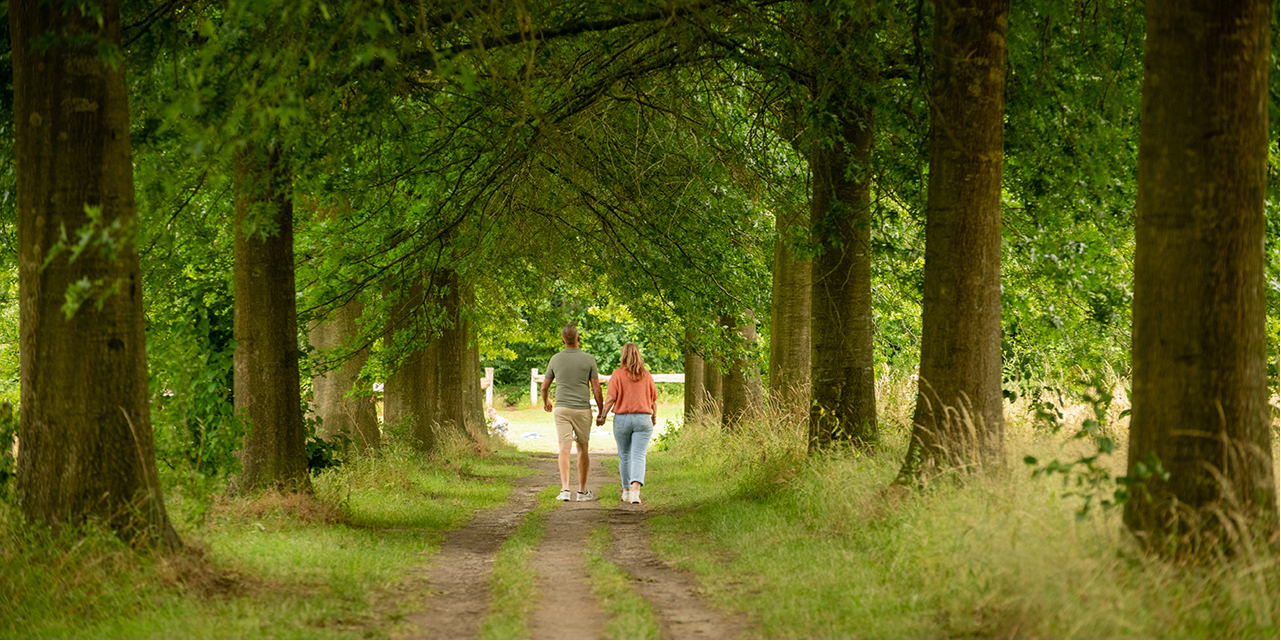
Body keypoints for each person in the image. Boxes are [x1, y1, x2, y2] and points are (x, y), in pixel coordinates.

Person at [541, 324, 604, 502]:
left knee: (564, 448)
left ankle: (565, 489)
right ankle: (582, 492)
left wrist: (546, 402)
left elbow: (544, 386)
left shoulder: (555, 359)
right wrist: (601, 412)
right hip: (582, 409)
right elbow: (597, 389)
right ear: (578, 339)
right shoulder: (589, 359)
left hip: (561, 409)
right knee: (582, 448)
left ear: (563, 341)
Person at [596, 343, 657, 505]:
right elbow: (653, 400)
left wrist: (602, 416)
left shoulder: (617, 375)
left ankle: (627, 491)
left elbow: (610, 398)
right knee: (639, 455)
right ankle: (636, 492)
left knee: (624, 456)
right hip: (643, 418)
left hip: (622, 419)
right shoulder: (647, 375)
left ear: (623, 356)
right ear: (638, 355)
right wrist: (654, 417)